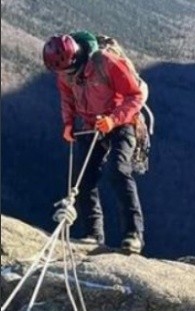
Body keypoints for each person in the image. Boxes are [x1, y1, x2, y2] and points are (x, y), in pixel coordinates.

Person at [42, 31, 145, 253]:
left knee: (118, 170)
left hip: (122, 122)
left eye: (67, 70)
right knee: (83, 179)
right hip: (91, 125)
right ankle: (93, 235)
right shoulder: (65, 72)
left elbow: (134, 96)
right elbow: (67, 97)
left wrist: (113, 119)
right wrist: (68, 123)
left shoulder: (106, 62)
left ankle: (133, 234)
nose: (64, 75)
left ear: (76, 57)